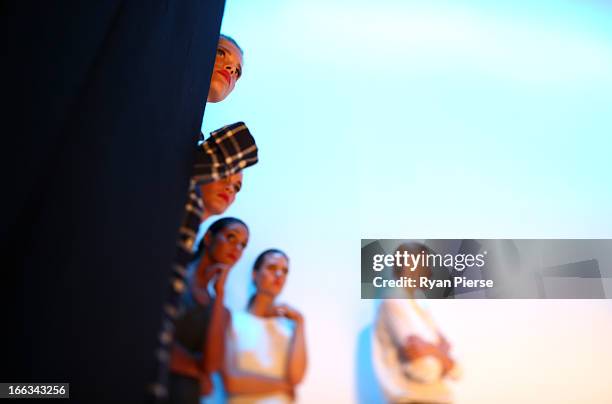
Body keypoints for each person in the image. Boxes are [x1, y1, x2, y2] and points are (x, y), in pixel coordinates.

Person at [149, 32, 254, 401]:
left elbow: (212, 368)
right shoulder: (164, 117)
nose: (231, 68)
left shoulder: (213, 296)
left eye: (238, 70)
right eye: (222, 54)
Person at [169, 217, 249, 404]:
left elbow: (211, 366)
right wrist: (196, 369)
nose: (237, 249)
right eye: (231, 237)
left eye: (243, 245)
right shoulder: (174, 273)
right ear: (208, 238)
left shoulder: (222, 310)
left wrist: (220, 294)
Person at [372, 242, 461, 404]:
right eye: (425, 265)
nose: (430, 272)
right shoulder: (394, 301)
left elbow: (457, 369)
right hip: (414, 399)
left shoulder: (420, 309)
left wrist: (430, 350)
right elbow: (425, 369)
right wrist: (441, 352)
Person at [221, 249, 308, 403]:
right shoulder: (233, 321)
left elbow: (295, 378)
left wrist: (301, 322)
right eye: (272, 268)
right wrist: (283, 386)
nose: (279, 275)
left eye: (284, 271)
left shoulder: (290, 328)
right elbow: (232, 383)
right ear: (255, 274)